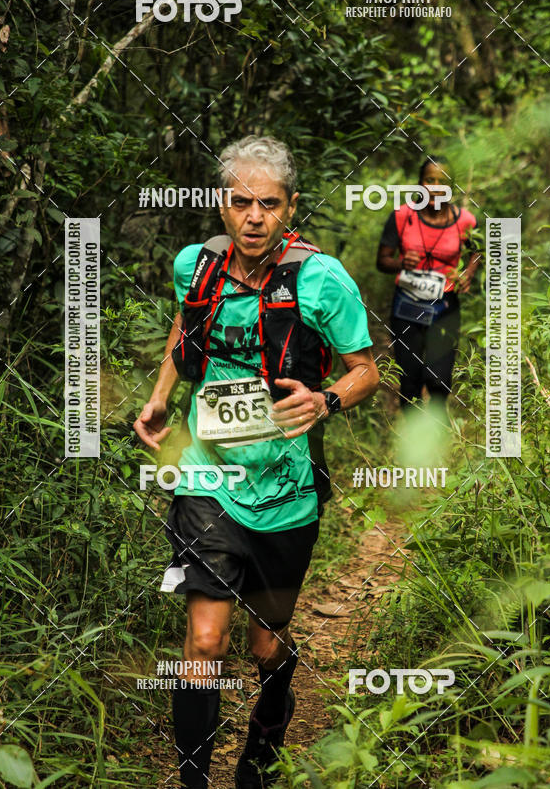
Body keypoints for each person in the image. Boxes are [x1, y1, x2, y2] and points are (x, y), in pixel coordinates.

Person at [133, 135, 379, 789]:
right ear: (222, 204)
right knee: (205, 643)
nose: (253, 217)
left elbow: (367, 371)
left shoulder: (322, 279)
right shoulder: (198, 266)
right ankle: (192, 781)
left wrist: (326, 399)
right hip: (206, 478)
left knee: (266, 644)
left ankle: (262, 755)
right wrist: (161, 399)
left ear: (289, 206)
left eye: (268, 204)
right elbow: (182, 332)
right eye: (241, 201)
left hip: (286, 489)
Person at [376, 156, 480, 414]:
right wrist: (401, 263)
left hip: (445, 306)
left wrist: (467, 274)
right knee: (409, 377)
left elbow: (476, 251)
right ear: (419, 184)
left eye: (442, 182)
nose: (435, 187)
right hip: (406, 306)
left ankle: (436, 436)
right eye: (429, 180)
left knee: (439, 378)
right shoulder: (402, 216)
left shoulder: (464, 220)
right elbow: (382, 260)